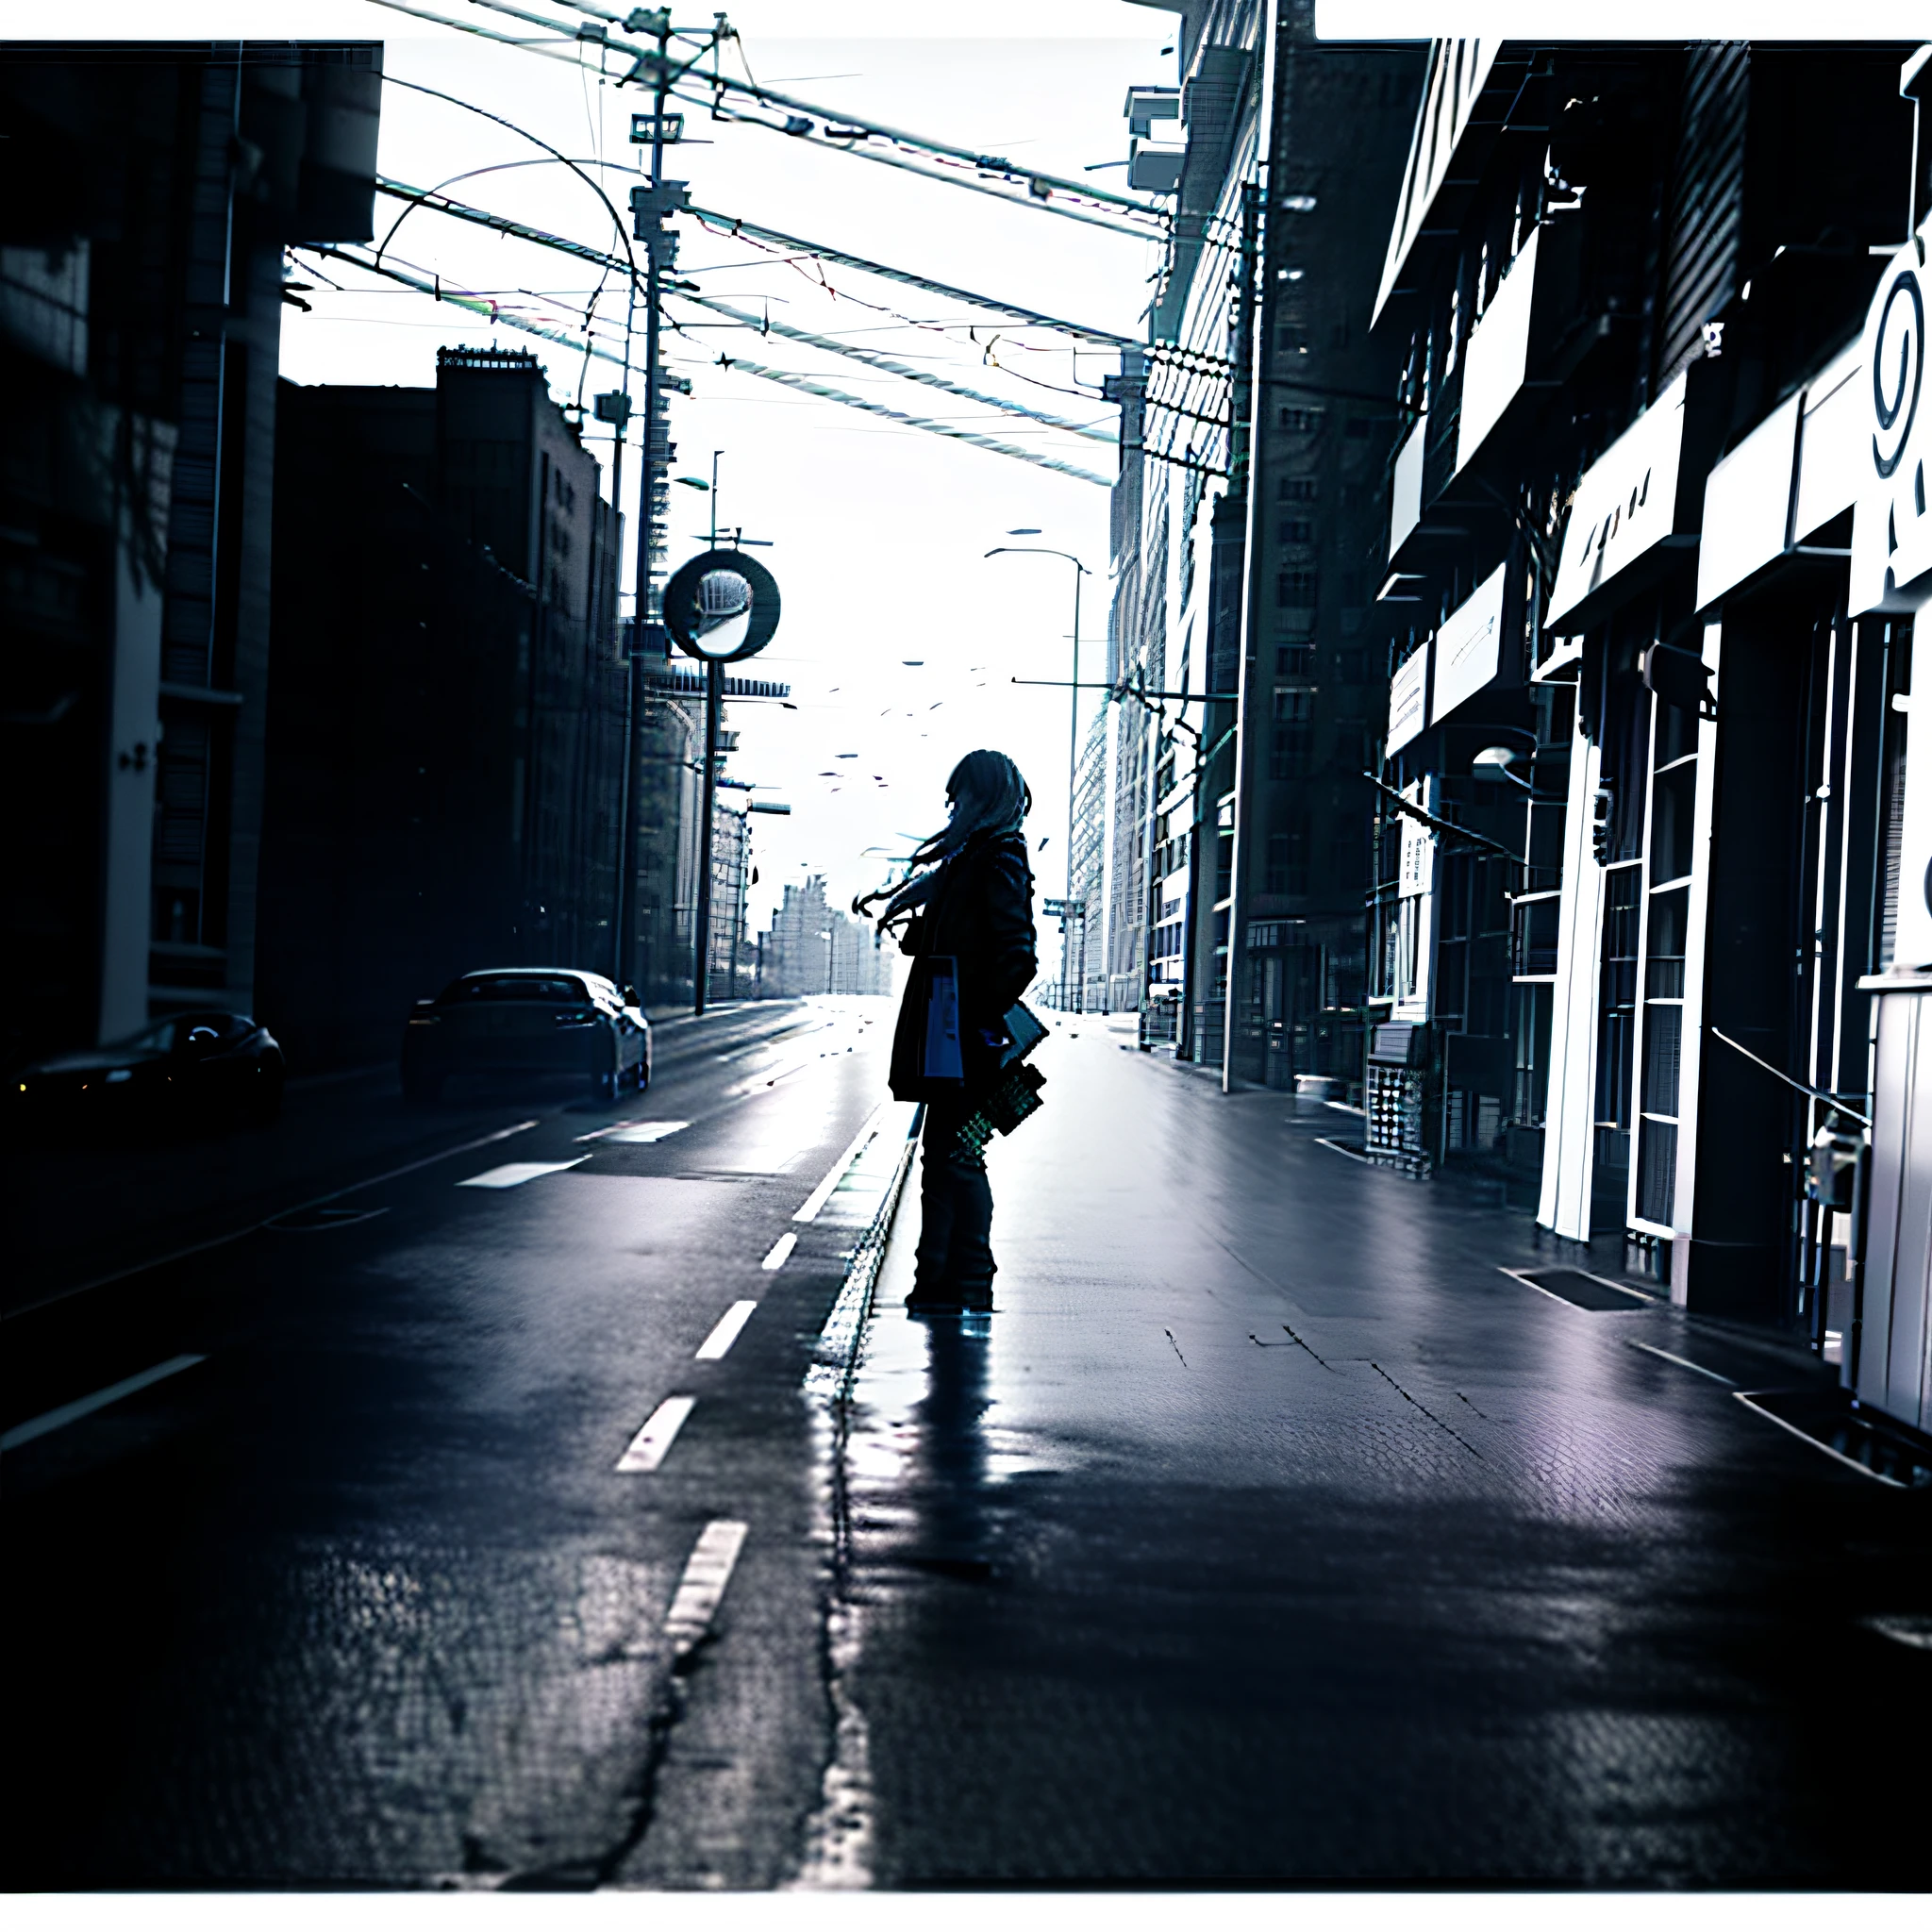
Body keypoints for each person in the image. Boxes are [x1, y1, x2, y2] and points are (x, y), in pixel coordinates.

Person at [855, 749, 1038, 1312]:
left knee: (957, 1158)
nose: (953, 806)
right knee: (946, 1158)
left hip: (963, 1041)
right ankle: (939, 1283)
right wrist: (901, 912)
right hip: (950, 1037)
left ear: (984, 800)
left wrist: (975, 1019)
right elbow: (950, 918)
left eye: (961, 796)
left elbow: (1017, 956)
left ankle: (963, 1282)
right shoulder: (973, 859)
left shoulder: (999, 858)